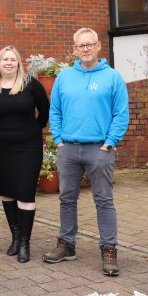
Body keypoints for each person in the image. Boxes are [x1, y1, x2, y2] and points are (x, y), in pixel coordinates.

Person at [44, 27, 129, 276]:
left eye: (90, 44)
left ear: (98, 46)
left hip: (99, 149)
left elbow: (121, 114)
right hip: (68, 149)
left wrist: (109, 143)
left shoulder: (112, 77)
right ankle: (67, 245)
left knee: (104, 201)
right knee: (66, 199)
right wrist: (58, 140)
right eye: (81, 46)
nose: (86, 49)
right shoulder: (64, 77)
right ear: (75, 49)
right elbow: (55, 111)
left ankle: (109, 250)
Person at [0, 46, 49, 263]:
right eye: (5, 59)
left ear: (19, 63)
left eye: (13, 59)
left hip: (28, 148)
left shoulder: (30, 84)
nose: (9, 63)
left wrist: (33, 129)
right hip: (0, 148)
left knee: (25, 194)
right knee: (8, 193)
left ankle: (24, 243)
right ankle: (15, 236)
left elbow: (45, 111)